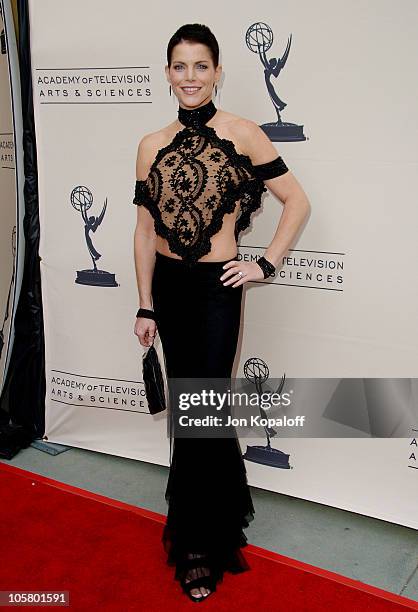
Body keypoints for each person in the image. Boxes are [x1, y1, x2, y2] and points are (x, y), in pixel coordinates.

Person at [132, 23, 310, 603]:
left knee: (199, 409)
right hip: (171, 290)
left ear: (218, 72)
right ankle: (218, 514)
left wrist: (266, 263)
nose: (190, 77)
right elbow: (143, 231)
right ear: (167, 73)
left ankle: (198, 545)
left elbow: (297, 202)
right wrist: (144, 303)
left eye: (200, 66)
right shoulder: (150, 144)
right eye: (179, 67)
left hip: (215, 289)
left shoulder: (244, 133)